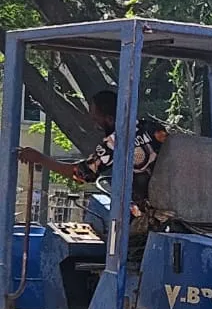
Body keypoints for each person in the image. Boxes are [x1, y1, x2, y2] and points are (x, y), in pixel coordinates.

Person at [17, 89, 167, 216]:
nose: (95, 126)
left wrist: (39, 158)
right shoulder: (153, 128)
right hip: (171, 201)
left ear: (110, 119)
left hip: (151, 212)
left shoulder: (114, 144)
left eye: (96, 120)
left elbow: (81, 174)